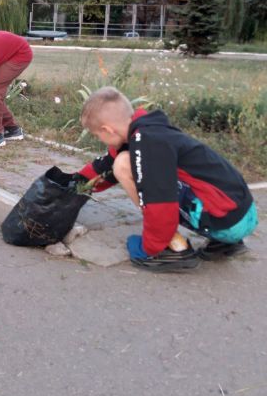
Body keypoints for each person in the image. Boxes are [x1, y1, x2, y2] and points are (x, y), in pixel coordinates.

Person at [77, 86, 258, 271]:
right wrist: (76, 183)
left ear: (107, 129)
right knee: (123, 160)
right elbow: (106, 165)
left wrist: (152, 245)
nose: (99, 139)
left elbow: (159, 199)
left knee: (123, 166)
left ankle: (171, 250)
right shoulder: (149, 131)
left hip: (226, 221)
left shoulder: (147, 145)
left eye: (96, 135)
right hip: (241, 213)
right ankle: (224, 242)